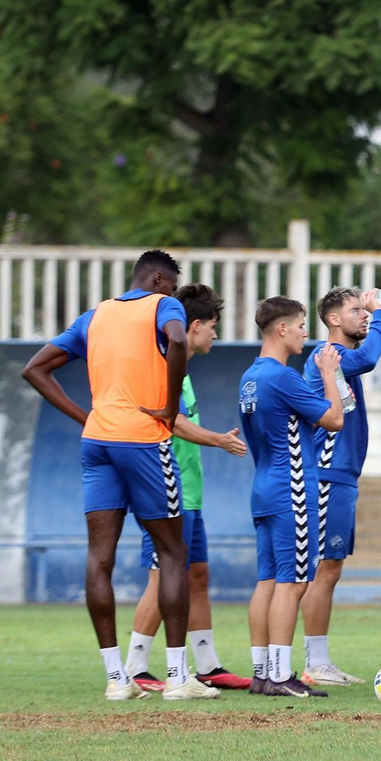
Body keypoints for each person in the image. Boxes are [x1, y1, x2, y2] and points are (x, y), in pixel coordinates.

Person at [22, 250, 199, 701]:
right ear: (160, 278)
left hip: (97, 441)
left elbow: (35, 369)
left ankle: (117, 679)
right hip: (142, 439)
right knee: (174, 553)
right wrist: (171, 405)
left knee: (100, 557)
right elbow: (178, 342)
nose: (175, 293)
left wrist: (86, 418)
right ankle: (178, 678)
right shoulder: (164, 305)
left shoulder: (95, 315)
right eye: (173, 284)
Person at [124, 284, 252, 693]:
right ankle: (136, 669)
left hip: (189, 494)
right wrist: (218, 439)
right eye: (213, 326)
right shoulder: (163, 367)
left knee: (197, 575)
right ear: (194, 326)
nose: (216, 335)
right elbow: (171, 421)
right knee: (162, 577)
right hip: (163, 489)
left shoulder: (184, 371)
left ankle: (208, 665)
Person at [238, 297, 346, 697]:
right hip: (293, 488)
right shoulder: (283, 377)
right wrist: (329, 374)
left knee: (267, 580)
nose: (306, 332)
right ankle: (281, 675)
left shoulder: (250, 376)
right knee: (294, 582)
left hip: (264, 485)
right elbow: (334, 419)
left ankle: (262, 673)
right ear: (281, 329)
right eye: (301, 325)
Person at [298, 287, 381, 687]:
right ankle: (313, 662)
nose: (364, 316)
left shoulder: (340, 360)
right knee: (322, 569)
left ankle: (318, 659)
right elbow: (370, 358)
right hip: (327, 473)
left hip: (342, 474)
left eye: (365, 310)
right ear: (333, 319)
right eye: (355, 311)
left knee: (329, 569)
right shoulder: (329, 356)